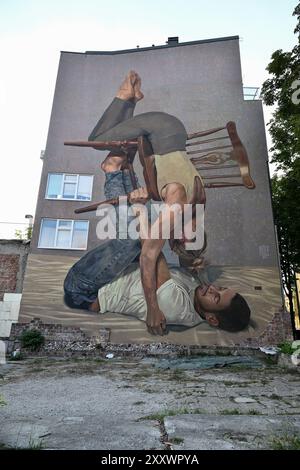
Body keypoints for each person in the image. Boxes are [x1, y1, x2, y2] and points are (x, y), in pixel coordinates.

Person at [64, 127, 251, 334]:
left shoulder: (177, 308)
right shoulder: (201, 292)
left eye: (216, 297)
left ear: (212, 319)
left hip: (85, 290)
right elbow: (188, 255)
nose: (213, 289)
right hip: (112, 272)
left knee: (135, 236)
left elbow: (150, 249)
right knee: (162, 216)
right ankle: (124, 169)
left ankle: (114, 171)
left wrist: (140, 207)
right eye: (221, 288)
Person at [87, 70, 206, 335]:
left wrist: (193, 262)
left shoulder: (197, 210)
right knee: (96, 140)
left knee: (113, 141)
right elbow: (148, 255)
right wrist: (153, 308)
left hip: (171, 136)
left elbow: (182, 246)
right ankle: (127, 97)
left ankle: (116, 153)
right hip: (161, 129)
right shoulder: (178, 207)